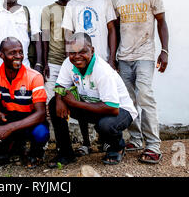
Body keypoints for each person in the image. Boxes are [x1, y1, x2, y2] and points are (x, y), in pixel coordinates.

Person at [111, 0, 169, 164]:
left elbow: (161, 22)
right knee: (129, 101)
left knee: (145, 97)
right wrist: (113, 58)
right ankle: (135, 139)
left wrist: (165, 51)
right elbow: (115, 30)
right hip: (124, 58)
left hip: (145, 55)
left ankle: (153, 146)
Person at [48, 33, 137, 167]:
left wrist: (74, 103)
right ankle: (66, 153)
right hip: (93, 107)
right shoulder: (68, 63)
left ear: (92, 50)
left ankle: (117, 147)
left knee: (105, 125)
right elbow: (60, 85)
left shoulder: (102, 70)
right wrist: (60, 100)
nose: (77, 56)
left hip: (120, 111)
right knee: (54, 103)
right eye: (72, 52)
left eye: (82, 51)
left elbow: (112, 108)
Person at [0, 37, 49, 168]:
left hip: (29, 120)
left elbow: (40, 114)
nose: (18, 56)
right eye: (12, 53)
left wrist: (9, 128)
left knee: (41, 133)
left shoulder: (34, 76)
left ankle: (35, 154)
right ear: (1, 55)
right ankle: (2, 152)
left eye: (21, 52)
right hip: (9, 117)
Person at [61, 0, 117, 69]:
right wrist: (70, 60)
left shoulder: (104, 0)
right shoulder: (71, 5)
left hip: (103, 59)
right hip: (81, 61)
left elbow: (112, 30)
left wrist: (112, 59)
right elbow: (68, 35)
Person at [41, 0, 71, 100]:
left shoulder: (78, 6)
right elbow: (45, 39)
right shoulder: (48, 10)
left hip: (75, 62)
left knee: (73, 99)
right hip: (54, 63)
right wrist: (44, 64)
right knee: (51, 100)